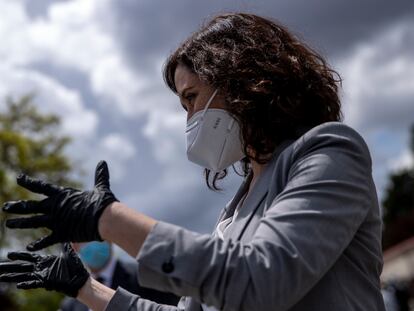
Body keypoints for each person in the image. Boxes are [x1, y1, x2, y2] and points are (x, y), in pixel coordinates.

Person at [0, 12, 386, 311]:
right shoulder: (234, 209)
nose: (189, 121)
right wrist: (87, 289)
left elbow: (260, 282)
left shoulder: (329, 151)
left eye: (192, 99)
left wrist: (108, 218)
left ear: (245, 81)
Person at [59, 242, 179, 311]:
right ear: (74, 246)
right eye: (82, 237)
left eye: (91, 233)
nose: (90, 241)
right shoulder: (70, 306)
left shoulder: (150, 279)